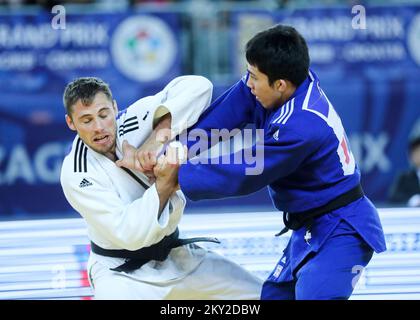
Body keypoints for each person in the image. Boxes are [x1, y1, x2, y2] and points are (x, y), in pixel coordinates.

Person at [118, 25, 387, 300]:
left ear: (280, 84)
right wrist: (175, 151)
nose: (248, 83)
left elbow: (247, 171)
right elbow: (222, 116)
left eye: (255, 78)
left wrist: (176, 176)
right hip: (309, 225)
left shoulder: (304, 125)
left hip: (342, 227)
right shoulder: (282, 81)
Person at [59, 76, 262, 300]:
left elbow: (199, 87)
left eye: (104, 115)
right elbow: (129, 234)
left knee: (262, 296)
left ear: (115, 108)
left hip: (177, 257)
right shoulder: (76, 172)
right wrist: (165, 181)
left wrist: (158, 137)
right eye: (86, 120)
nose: (99, 127)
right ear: (71, 123)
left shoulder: (133, 120)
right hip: (122, 274)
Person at [388, 124, 420, 207]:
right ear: (411, 156)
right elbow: (393, 197)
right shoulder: (404, 178)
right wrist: (412, 200)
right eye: (417, 152)